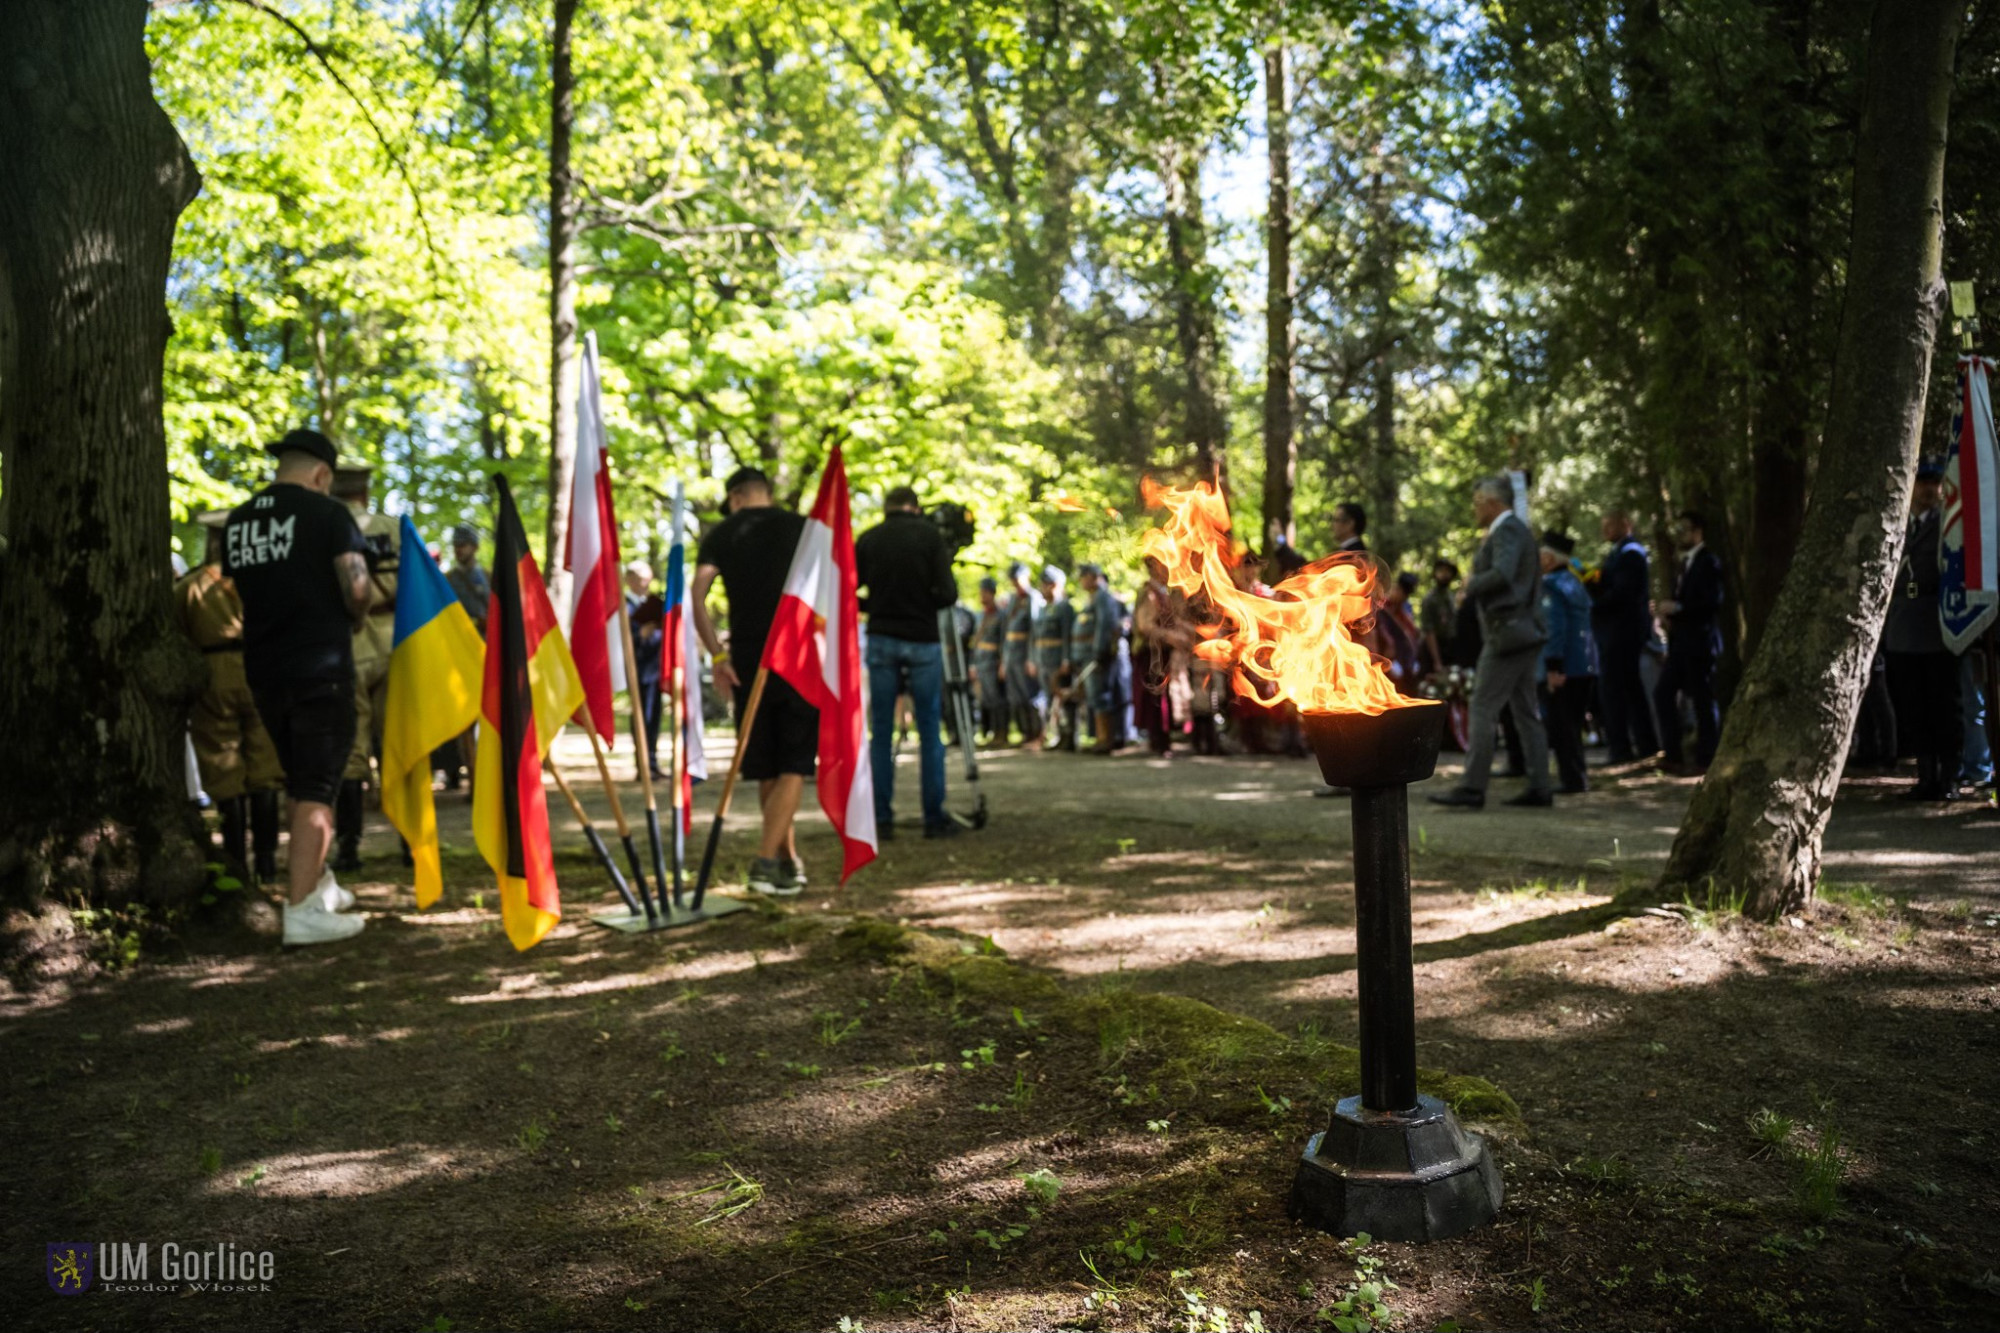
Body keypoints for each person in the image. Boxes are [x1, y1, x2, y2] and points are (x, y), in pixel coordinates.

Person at [222, 428, 372, 945]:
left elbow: (243, 590)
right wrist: (358, 610)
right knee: (317, 786)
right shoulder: (329, 514)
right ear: (322, 474)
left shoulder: (239, 522)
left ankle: (319, 885)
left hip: (263, 670)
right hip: (320, 668)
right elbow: (357, 589)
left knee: (299, 777)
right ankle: (303, 910)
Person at [693, 466, 820, 894]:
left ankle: (785, 859)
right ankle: (770, 860)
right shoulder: (804, 529)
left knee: (767, 761)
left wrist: (717, 654)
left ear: (735, 498)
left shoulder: (723, 532)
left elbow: (698, 593)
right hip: (800, 655)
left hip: (748, 657)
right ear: (766, 492)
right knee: (793, 762)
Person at [175, 511, 284, 884]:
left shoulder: (189, 588)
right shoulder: (266, 581)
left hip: (214, 678)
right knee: (264, 766)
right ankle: (267, 860)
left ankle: (239, 861)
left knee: (224, 770)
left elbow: (179, 635)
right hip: (260, 671)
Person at [1431, 475, 1552, 809]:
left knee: (1482, 706)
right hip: (1523, 631)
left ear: (1491, 502)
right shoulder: (1510, 530)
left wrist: (1471, 584)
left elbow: (1502, 573)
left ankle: (1472, 787)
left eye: (1476, 503)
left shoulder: (1508, 529)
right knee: (1526, 711)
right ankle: (1540, 786)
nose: (1474, 510)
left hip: (1508, 633)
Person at [854, 484, 960, 839]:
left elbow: (849, 590)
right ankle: (934, 817)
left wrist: (877, 605)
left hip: (882, 638)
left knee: (880, 730)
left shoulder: (869, 539)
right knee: (930, 728)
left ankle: (880, 819)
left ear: (887, 507)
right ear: (914, 507)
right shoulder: (930, 537)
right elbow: (948, 593)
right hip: (923, 640)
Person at [328, 465, 398, 872]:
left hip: (349, 645)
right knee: (398, 744)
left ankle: (350, 847)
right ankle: (411, 843)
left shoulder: (326, 528)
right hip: (394, 644)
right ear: (366, 492)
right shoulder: (393, 528)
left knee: (352, 750)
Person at [1883, 462, 1963, 801]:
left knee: (1944, 706)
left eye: (1934, 481)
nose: (1929, 489)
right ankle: (1925, 775)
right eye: (1922, 482)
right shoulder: (1896, 524)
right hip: (1902, 625)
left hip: (1937, 623)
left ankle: (1950, 778)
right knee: (1913, 708)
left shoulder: (1949, 525)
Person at [1653, 510, 1725, 774]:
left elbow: (1711, 603)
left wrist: (1678, 608)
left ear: (1698, 531)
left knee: (1704, 701)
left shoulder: (1709, 562)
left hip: (1701, 644)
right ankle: (1673, 754)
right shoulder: (1683, 564)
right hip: (1680, 644)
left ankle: (1707, 759)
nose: (1680, 535)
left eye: (1685, 529)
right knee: (1663, 693)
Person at [1590, 510, 1660, 764]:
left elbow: (1623, 593)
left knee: (1614, 689)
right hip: (1620, 631)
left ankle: (1622, 748)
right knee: (1629, 688)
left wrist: (1593, 603)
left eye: (1610, 523)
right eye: (1603, 524)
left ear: (1626, 524)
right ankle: (1641, 744)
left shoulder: (1631, 553)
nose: (1605, 529)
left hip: (1621, 632)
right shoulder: (1619, 552)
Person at [1538, 532, 1597, 794]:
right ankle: (1578, 776)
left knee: (1563, 725)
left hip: (1566, 666)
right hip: (1586, 663)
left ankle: (1572, 779)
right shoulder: (1575, 582)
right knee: (1573, 722)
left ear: (1549, 558)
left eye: (1541, 555)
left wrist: (1553, 667)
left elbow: (1555, 628)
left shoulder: (1550, 584)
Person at [437, 524, 488, 790]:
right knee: (461, 721)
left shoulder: (490, 577)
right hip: (459, 658)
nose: (459, 550)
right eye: (456, 546)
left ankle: (487, 777)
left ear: (475, 547)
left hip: (487, 656)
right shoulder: (447, 581)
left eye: (464, 545)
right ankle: (464, 774)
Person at [1075, 563, 1130, 754]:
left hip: (1098, 656)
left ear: (1093, 576)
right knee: (1095, 697)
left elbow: (1104, 626)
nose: (1081, 580)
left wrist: (1099, 651)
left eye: (1084, 576)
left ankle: (1106, 739)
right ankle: (1101, 737)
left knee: (1101, 696)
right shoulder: (1093, 598)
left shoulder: (1103, 598)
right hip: (1089, 655)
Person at [625, 561, 666, 779]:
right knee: (642, 716)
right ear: (630, 580)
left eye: (648, 579)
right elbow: (618, 641)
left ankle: (652, 762)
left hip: (655, 668)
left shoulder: (648, 604)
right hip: (638, 670)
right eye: (642, 580)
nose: (646, 584)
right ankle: (643, 765)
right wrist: (639, 635)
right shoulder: (624, 607)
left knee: (654, 717)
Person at [1002, 561, 1046, 745]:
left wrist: (1031, 659)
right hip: (1012, 654)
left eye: (1017, 578)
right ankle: (1025, 733)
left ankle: (1038, 734)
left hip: (1025, 654)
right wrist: (1004, 660)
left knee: (1031, 695)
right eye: (1012, 579)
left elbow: (1034, 631)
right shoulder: (1013, 599)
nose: (1015, 583)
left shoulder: (1033, 598)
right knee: (1016, 696)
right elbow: (1006, 631)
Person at [1033, 566, 1077, 750]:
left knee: (1064, 700)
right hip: (1044, 660)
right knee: (1051, 700)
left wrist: (1066, 660)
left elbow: (1067, 635)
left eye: (1046, 585)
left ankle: (1069, 738)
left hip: (1059, 661)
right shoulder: (1043, 609)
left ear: (1055, 586)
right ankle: (1057, 736)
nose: (1043, 589)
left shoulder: (1065, 608)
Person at [972, 576, 1007, 743]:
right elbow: (975, 642)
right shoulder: (979, 616)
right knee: (985, 699)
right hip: (980, 661)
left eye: (985, 592)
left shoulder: (1001, 615)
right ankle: (992, 732)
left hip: (993, 661)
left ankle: (1001, 732)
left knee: (995, 698)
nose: (982, 596)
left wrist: (1002, 662)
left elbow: (1002, 641)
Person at [1420, 559, 1459, 678]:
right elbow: (1429, 631)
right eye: (1441, 571)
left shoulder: (1451, 596)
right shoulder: (1430, 599)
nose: (1444, 574)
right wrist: (1437, 661)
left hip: (1450, 648)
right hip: (1433, 649)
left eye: (1448, 571)